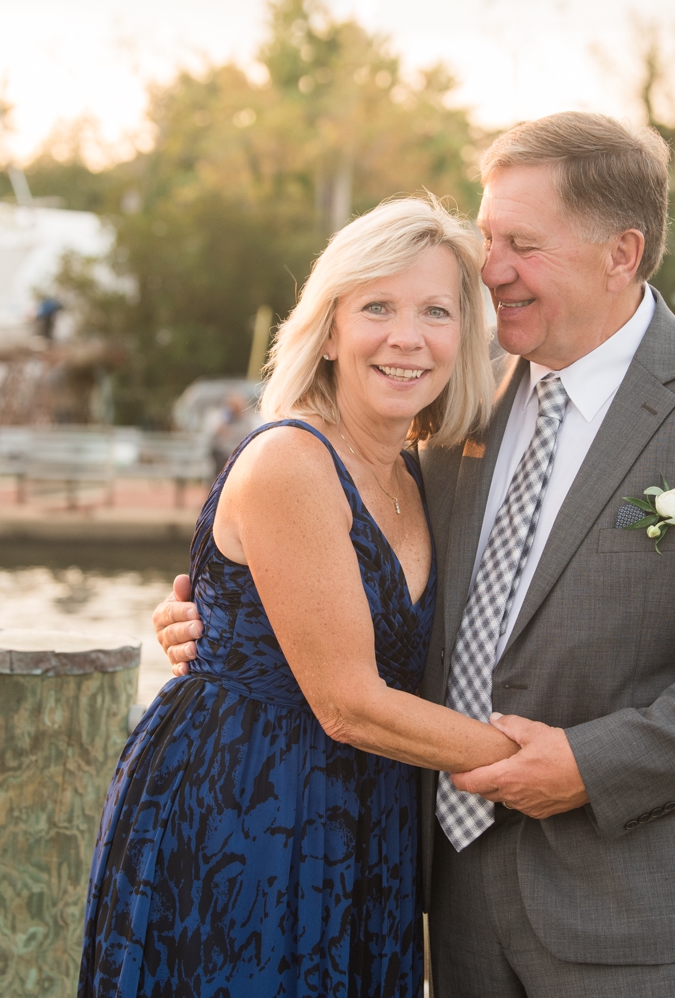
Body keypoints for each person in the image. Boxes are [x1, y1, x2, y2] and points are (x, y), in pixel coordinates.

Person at [156, 112, 675, 997]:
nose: (492, 269)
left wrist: (594, 765)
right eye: (488, 238)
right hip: (440, 890)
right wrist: (230, 622)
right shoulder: (450, 409)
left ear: (620, 254)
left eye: (522, 243)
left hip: (633, 901)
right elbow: (354, 565)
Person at [79, 196, 514, 998]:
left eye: (436, 311)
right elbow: (348, 700)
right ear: (331, 327)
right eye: (377, 306)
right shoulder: (293, 460)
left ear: (466, 336)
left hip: (367, 812)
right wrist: (544, 766)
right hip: (245, 813)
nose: (407, 336)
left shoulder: (421, 474)